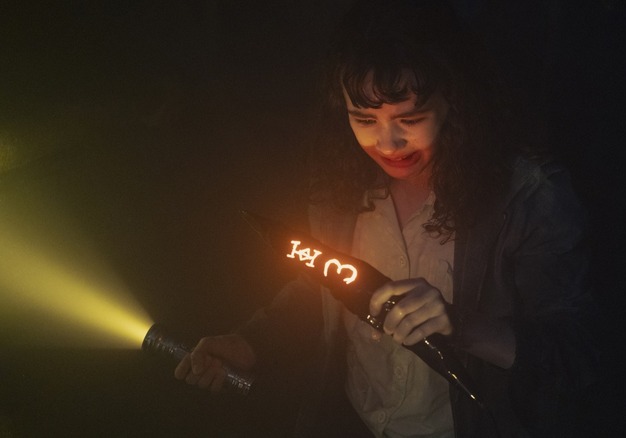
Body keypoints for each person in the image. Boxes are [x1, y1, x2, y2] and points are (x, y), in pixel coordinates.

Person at [175, 0, 599, 436]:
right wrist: (251, 342)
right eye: (363, 118)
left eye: (410, 118)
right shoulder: (339, 187)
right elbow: (325, 287)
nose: (387, 143)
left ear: (455, 100)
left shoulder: (529, 198)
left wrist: (464, 327)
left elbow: (578, 356)